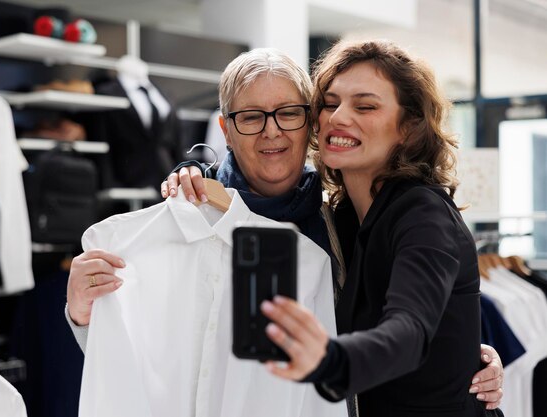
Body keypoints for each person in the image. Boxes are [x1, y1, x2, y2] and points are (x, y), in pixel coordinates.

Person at [66, 47, 503, 409]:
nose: (271, 132)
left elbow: (413, 322)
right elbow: (150, 350)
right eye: (251, 117)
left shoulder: (333, 227)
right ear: (227, 130)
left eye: (288, 113)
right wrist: (88, 316)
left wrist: (474, 355)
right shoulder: (190, 211)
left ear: (307, 123)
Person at [258, 40, 504, 416]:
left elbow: (409, 330)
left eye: (365, 106)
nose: (338, 117)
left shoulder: (423, 214)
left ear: (407, 128)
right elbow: (250, 189)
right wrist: (189, 173)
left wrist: (331, 361)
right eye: (329, 103)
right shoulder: (338, 216)